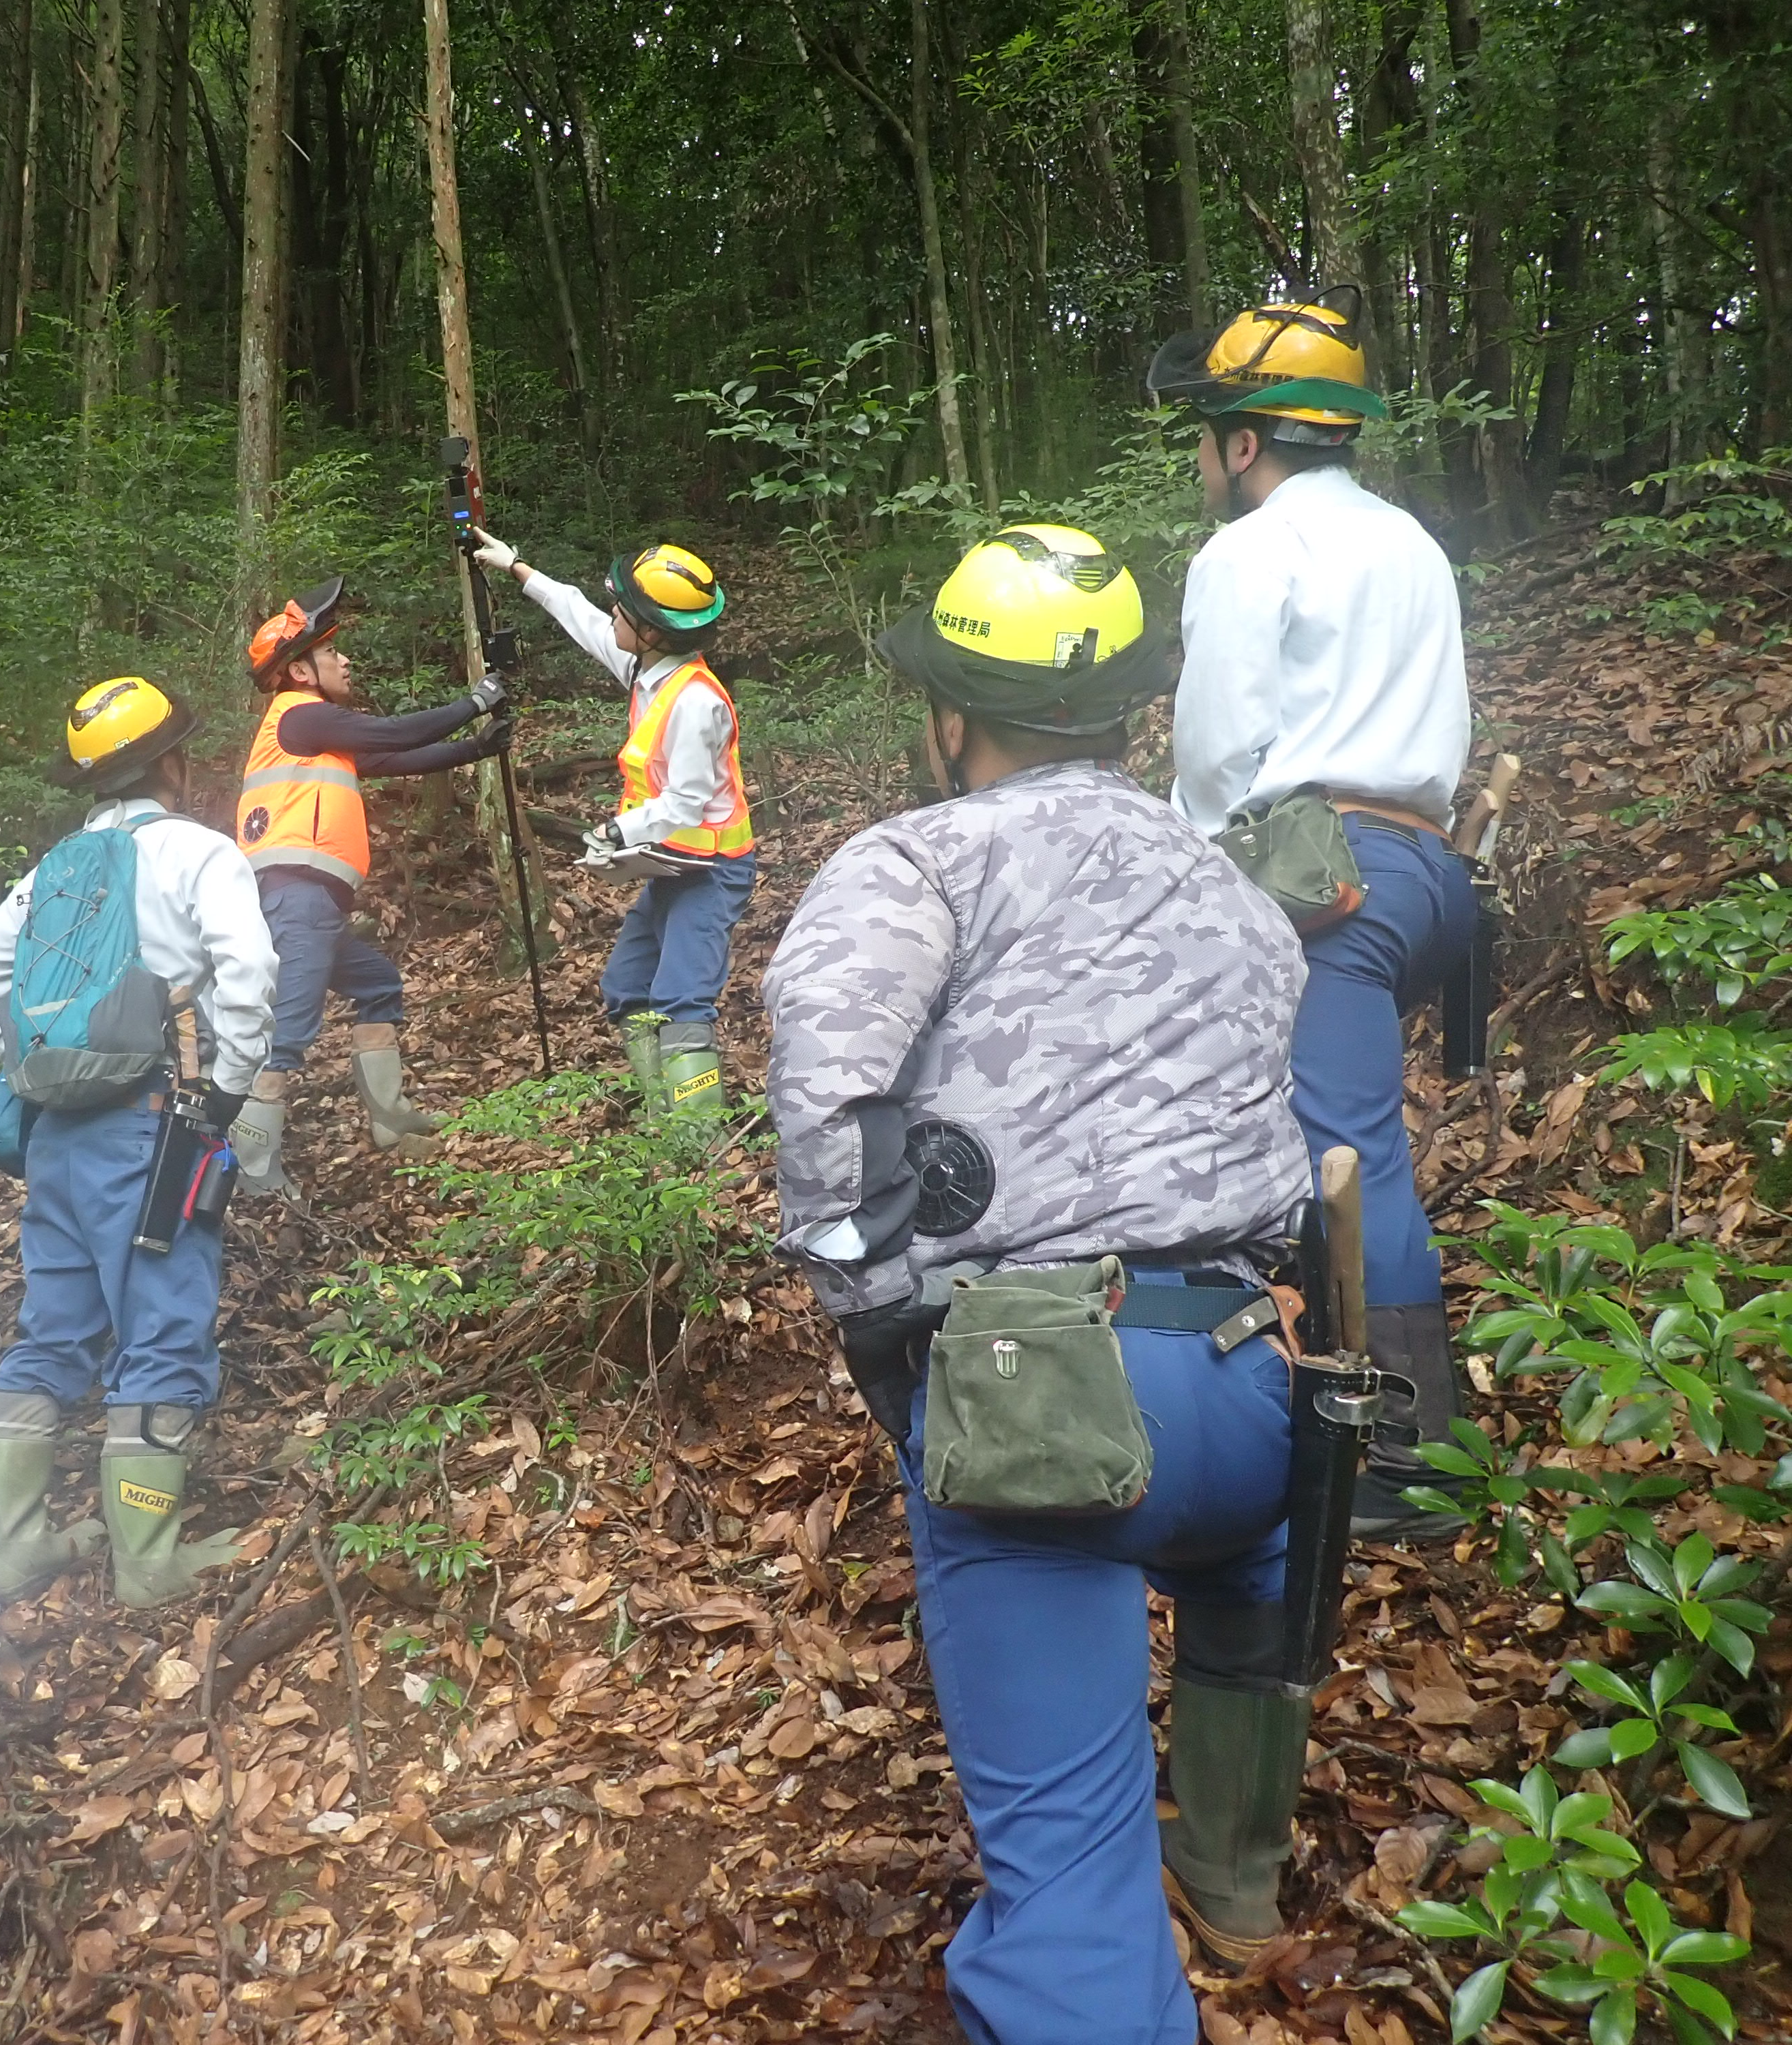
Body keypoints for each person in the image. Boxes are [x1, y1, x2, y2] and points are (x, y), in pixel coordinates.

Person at [764, 528, 1318, 2042]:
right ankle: (1234, 1870)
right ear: (1129, 709)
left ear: (951, 716)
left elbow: (828, 1109)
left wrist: (888, 1348)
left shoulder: (916, 863)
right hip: (1249, 1381)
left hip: (1043, 1410)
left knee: (1067, 1877)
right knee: (1245, 1581)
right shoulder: (1227, 885)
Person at [1148, 288, 1478, 1541]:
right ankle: (1326, 1400)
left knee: (1349, 1154)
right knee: (1313, 1134)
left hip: (1326, 880)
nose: (1204, 461)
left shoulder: (1248, 552)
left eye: (1208, 437)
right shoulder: (1411, 542)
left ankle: (1409, 1461)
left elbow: (1216, 758)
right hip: (1425, 872)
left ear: (1246, 443)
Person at [0, 676, 278, 1607]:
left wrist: (33, 1063)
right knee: (162, 1327)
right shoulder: (199, 853)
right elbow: (250, 970)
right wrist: (227, 1087)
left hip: (55, 1137)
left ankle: (15, 1548)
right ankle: (148, 1566)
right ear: (173, 764)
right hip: (152, 1127)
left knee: (52, 1331)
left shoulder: (52, 873)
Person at [230, 574, 516, 1196]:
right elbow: (392, 735)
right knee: (290, 1031)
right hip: (296, 896)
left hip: (312, 901)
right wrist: (475, 702)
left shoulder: (313, 735)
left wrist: (476, 748)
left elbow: (390, 759)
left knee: (379, 985)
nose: (345, 661)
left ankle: (389, 1118)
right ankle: (252, 1168)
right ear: (300, 671)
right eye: (331, 652)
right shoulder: (301, 718)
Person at [468, 529, 756, 1115]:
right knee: (626, 988)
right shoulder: (645, 667)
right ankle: (663, 1114)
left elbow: (687, 802)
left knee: (682, 999)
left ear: (653, 631)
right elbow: (580, 615)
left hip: (713, 871)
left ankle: (696, 1137)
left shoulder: (695, 702)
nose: (613, 614)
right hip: (673, 863)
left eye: (623, 608)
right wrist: (516, 567)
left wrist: (618, 832)